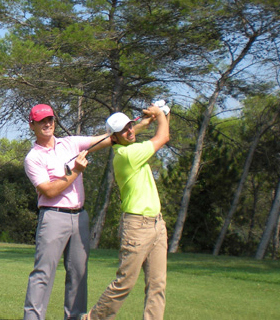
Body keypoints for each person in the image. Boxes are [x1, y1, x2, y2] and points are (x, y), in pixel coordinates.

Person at [23, 104, 112, 320]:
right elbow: (49, 190)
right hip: (53, 216)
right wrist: (76, 172)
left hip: (79, 216)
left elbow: (110, 138)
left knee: (78, 274)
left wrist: (141, 123)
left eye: (50, 119)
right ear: (32, 125)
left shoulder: (70, 143)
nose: (47, 124)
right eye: (42, 121)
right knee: (43, 273)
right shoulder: (33, 158)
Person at [83, 104, 170, 320]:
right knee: (124, 283)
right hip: (137, 227)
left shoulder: (128, 143)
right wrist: (159, 115)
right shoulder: (127, 155)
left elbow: (139, 131)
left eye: (130, 126)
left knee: (157, 285)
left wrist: (150, 120)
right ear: (114, 137)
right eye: (124, 130)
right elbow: (163, 137)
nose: (130, 131)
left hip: (157, 224)